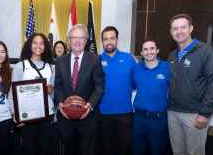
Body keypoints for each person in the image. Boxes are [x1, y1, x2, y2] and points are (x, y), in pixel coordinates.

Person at [167, 13, 213, 155]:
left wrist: (205, 114)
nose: (179, 31)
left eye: (183, 27)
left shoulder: (205, 51)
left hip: (195, 115)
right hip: (173, 113)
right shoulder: (172, 55)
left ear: (191, 28)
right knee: (178, 152)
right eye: (175, 28)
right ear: (171, 32)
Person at [55, 24, 104, 155]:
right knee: (68, 150)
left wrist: (90, 105)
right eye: (74, 37)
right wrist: (60, 104)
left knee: (86, 150)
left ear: (86, 40)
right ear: (69, 40)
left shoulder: (95, 59)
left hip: (87, 116)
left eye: (81, 37)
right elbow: (58, 85)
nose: (77, 41)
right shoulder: (60, 61)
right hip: (65, 117)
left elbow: (99, 87)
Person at [11, 33, 57, 155]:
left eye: (41, 43)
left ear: (45, 46)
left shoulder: (51, 67)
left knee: (47, 149)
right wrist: (15, 114)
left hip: (47, 116)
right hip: (28, 117)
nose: (38, 46)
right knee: (30, 150)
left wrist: (51, 91)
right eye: (35, 43)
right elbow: (12, 93)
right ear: (30, 45)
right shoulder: (20, 66)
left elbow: (53, 94)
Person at [97, 26, 136, 155]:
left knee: (124, 150)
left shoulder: (129, 58)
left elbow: (136, 83)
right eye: (105, 39)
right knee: (105, 150)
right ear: (102, 41)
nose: (109, 42)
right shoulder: (96, 60)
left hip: (125, 113)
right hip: (103, 114)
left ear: (117, 40)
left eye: (112, 38)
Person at [132, 40, 170, 155]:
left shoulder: (167, 67)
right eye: (145, 49)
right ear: (141, 53)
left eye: (152, 48)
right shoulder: (136, 68)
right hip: (139, 119)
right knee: (137, 151)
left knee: (157, 151)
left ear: (157, 50)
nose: (149, 52)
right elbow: (131, 87)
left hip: (158, 120)